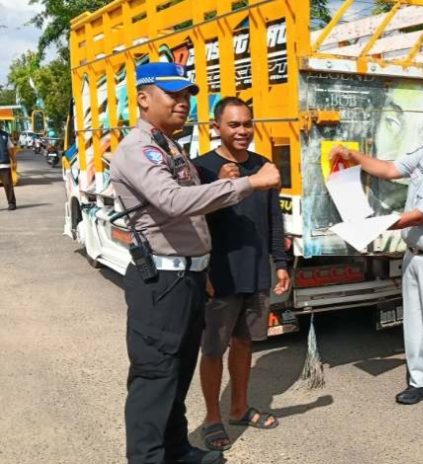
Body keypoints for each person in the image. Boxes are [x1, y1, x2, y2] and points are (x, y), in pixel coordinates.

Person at [110, 62, 281, 464]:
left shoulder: (170, 146)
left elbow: (193, 205)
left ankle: (176, 450)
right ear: (144, 98)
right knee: (154, 377)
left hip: (186, 278)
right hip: (161, 284)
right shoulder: (138, 149)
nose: (183, 103)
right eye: (173, 94)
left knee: (177, 373)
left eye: (187, 95)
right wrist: (246, 183)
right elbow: (170, 201)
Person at [329, 106, 423, 418]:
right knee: (416, 322)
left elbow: (420, 216)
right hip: (416, 256)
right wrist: (354, 156)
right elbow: (390, 169)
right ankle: (420, 381)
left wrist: (372, 225)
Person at [192, 97, 291, 451]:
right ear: (215, 128)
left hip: (255, 271)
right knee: (213, 348)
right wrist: (217, 185)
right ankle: (211, 418)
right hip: (218, 274)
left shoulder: (264, 167)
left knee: (245, 342)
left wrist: (280, 262)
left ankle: (238, 407)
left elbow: (273, 219)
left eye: (247, 123)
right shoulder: (200, 168)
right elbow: (192, 223)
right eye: (233, 124)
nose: (242, 131)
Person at [0, 127, 16, 211]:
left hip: (4, 164)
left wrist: (14, 160)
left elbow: (10, 148)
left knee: (8, 184)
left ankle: (11, 203)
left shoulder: (5, 135)